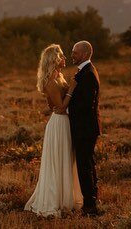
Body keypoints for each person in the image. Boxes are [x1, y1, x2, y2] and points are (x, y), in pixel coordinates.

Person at [24, 44, 83, 217]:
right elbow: (60, 107)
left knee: (65, 159)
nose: (65, 59)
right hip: (59, 123)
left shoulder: (60, 77)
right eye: (62, 56)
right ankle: (54, 199)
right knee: (59, 160)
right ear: (54, 60)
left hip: (65, 122)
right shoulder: (51, 81)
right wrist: (72, 88)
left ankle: (67, 198)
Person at [62, 40, 102, 216]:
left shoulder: (88, 74)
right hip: (85, 127)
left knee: (84, 166)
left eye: (75, 52)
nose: (72, 55)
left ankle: (90, 206)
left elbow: (86, 105)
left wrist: (65, 108)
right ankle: (91, 201)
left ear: (85, 54)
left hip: (85, 129)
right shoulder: (84, 71)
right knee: (88, 164)